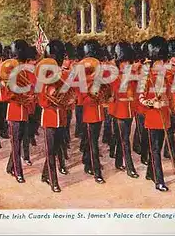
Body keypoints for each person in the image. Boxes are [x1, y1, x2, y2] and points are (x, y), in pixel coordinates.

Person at [138, 36, 174, 192]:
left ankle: (149, 173)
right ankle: (159, 181)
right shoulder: (146, 77)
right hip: (153, 117)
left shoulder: (165, 77)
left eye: (162, 62)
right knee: (154, 149)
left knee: (157, 148)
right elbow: (140, 98)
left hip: (164, 116)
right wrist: (152, 103)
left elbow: (170, 96)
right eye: (159, 62)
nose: (162, 64)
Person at [38, 40, 72, 192]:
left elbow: (70, 94)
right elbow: (41, 98)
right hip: (49, 116)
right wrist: (51, 98)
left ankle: (45, 175)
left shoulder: (63, 73)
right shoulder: (45, 74)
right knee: (50, 150)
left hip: (62, 116)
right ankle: (54, 181)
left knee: (56, 148)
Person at [6, 40, 34, 182]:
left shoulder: (28, 73)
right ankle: (18, 172)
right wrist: (21, 97)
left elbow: (33, 88)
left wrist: (31, 97)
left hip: (25, 112)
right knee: (16, 143)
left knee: (20, 141)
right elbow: (8, 94)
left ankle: (10, 166)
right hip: (14, 111)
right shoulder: (11, 73)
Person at [80, 40, 106, 184]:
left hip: (99, 113)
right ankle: (97, 172)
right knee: (93, 143)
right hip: (89, 113)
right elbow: (82, 97)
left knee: (93, 141)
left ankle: (88, 162)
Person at [112, 41, 139, 178]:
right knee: (125, 140)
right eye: (124, 62)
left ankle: (118, 162)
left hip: (130, 111)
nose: (126, 65)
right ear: (119, 62)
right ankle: (130, 168)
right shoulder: (115, 76)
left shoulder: (132, 75)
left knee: (121, 138)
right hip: (120, 112)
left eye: (128, 62)